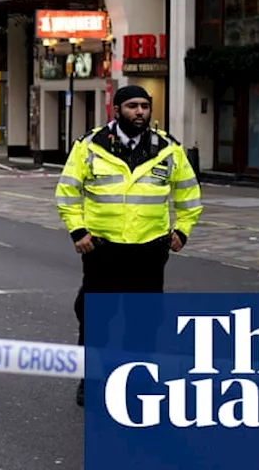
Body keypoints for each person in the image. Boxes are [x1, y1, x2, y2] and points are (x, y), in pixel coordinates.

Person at [54, 85, 203, 406]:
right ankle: (90, 380)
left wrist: (183, 230)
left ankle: (137, 380)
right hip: (102, 248)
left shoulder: (168, 149)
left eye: (145, 107)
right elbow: (67, 191)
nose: (140, 112)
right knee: (95, 320)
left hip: (149, 250)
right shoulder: (89, 147)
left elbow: (189, 194)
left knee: (144, 322)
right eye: (133, 106)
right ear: (117, 109)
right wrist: (78, 231)